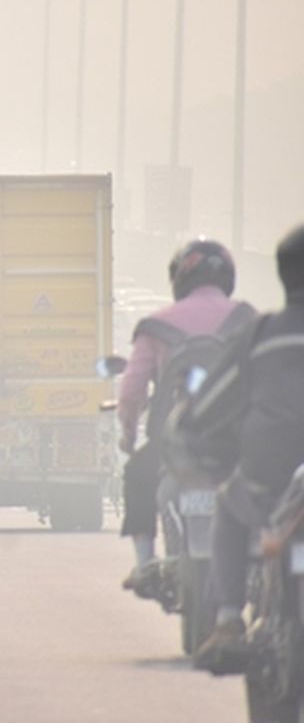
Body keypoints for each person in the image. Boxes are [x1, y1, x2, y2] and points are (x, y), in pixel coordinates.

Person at [187, 224, 304, 671]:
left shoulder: (261, 335)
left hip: (266, 481)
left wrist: (194, 435)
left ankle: (229, 618)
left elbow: (207, 409)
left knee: (228, 507)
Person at [117, 238, 256, 590]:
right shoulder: (248, 319)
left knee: (137, 473)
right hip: (237, 442)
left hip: (173, 444)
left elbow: (131, 392)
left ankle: (146, 562)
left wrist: (129, 436)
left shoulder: (155, 326)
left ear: (179, 279)